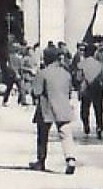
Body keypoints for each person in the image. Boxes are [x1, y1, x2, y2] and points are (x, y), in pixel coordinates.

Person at [28, 45, 77, 175]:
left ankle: (41, 161)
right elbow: (69, 92)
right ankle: (70, 159)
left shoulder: (43, 73)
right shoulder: (66, 74)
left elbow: (36, 92)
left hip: (46, 108)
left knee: (42, 136)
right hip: (63, 108)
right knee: (66, 135)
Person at [77, 43, 103, 139]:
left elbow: (78, 78)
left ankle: (86, 125)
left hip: (86, 89)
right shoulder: (100, 64)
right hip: (97, 89)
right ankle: (99, 127)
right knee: (99, 110)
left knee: (85, 109)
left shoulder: (81, 64)